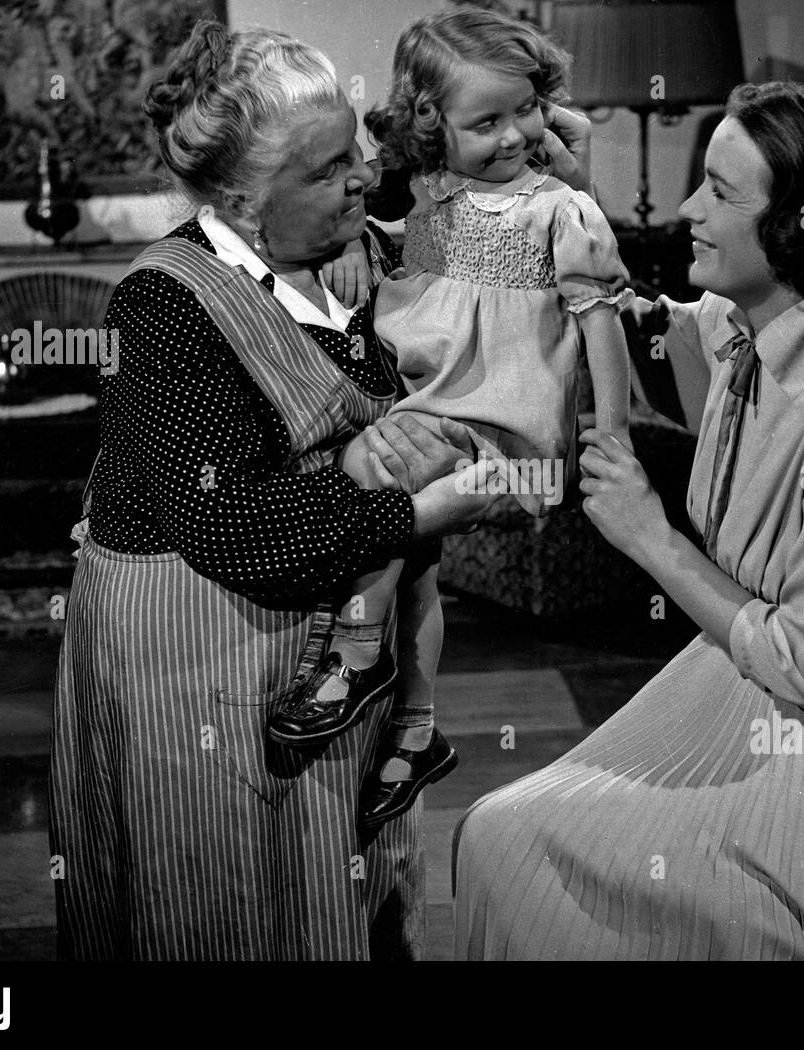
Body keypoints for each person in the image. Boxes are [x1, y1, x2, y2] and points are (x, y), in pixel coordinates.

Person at [46, 19, 604, 960]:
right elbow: (232, 526)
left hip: (334, 678)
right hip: (201, 677)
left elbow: (541, 289)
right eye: (322, 172)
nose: (358, 179)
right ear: (240, 196)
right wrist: (420, 512)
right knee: (222, 913)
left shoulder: (373, 254)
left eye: (354, 151)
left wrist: (567, 182)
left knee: (342, 903)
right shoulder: (167, 305)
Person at [451, 82, 804, 960]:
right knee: (499, 833)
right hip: (744, 694)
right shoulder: (752, 325)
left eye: (719, 192)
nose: (686, 210)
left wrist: (650, 538)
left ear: (803, 227)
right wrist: (574, 198)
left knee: (517, 843)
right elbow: (641, 330)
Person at [268, 7, 632, 832]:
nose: (514, 135)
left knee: (375, 478)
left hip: (505, 435)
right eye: (486, 122)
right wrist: (357, 237)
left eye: (525, 111)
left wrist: (611, 441)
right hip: (440, 413)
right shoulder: (435, 203)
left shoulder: (559, 211)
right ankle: (416, 727)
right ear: (435, 126)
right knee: (411, 551)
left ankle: (358, 657)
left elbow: (601, 319)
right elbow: (399, 254)